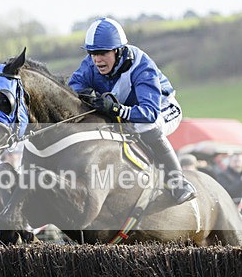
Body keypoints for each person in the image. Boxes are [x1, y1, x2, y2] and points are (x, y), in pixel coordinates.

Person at [68, 17, 196, 205]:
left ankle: (179, 183)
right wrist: (88, 96)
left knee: (144, 126)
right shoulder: (90, 64)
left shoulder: (141, 66)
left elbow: (148, 112)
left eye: (103, 53)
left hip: (163, 109)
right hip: (130, 112)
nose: (97, 59)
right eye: (92, 53)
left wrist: (117, 109)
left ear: (118, 51)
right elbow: (74, 86)